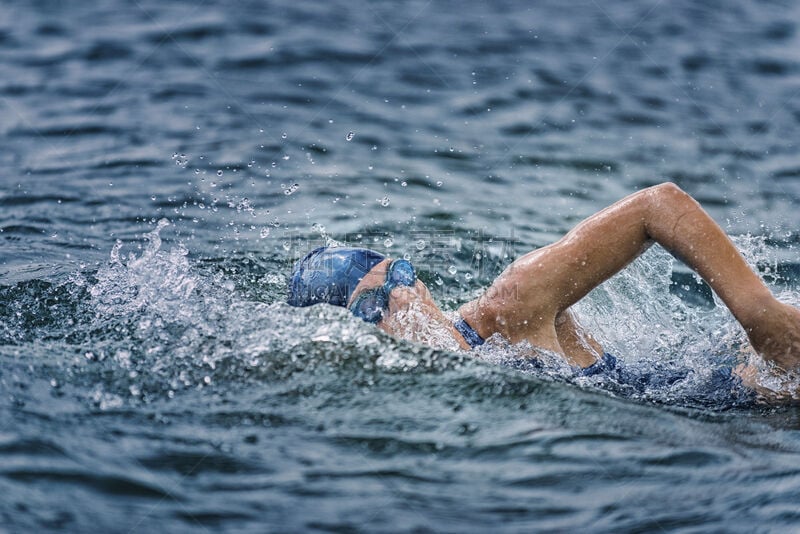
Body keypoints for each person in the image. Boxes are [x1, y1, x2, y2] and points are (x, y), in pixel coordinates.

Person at [287, 183, 800, 402]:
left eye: (398, 277)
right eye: (375, 305)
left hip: (759, 385)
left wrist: (763, 318)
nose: (402, 298)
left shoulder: (510, 306)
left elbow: (658, 205)